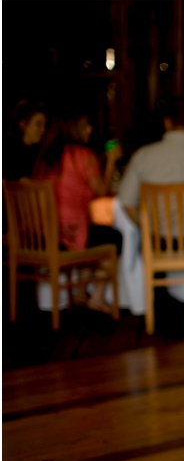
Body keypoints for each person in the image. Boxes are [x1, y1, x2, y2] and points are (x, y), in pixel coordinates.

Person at [34, 110, 123, 314]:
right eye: (86, 125)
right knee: (114, 238)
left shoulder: (44, 159)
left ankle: (81, 293)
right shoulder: (83, 156)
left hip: (43, 236)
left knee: (95, 233)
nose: (90, 129)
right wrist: (110, 160)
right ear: (74, 128)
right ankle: (97, 296)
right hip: (69, 235)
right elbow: (102, 193)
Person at [114, 98, 184, 311]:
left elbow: (126, 204)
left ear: (166, 123)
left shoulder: (144, 156)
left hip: (160, 240)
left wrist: (150, 227)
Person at [4, 101, 46, 180]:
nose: (43, 130)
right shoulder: (8, 149)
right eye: (38, 124)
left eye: (44, 125)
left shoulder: (37, 151)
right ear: (23, 124)